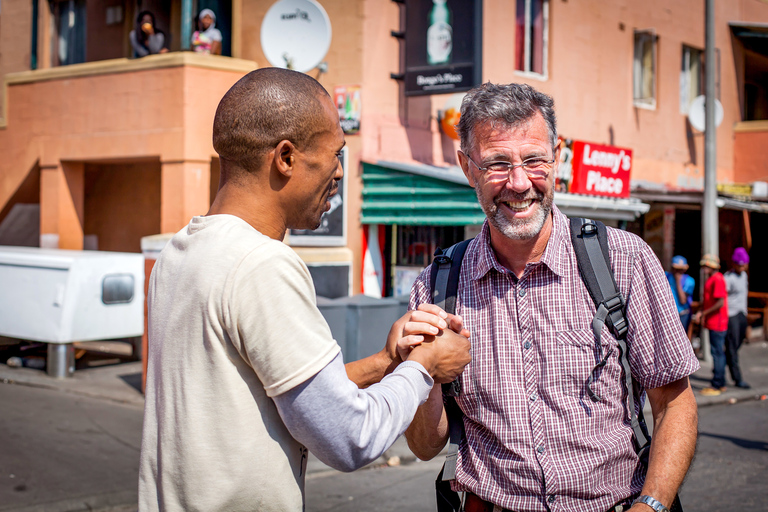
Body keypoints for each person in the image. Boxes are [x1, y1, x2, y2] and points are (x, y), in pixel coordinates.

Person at [138, 68, 471, 511]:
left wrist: (388, 362)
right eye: (335, 154)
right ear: (286, 157)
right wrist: (425, 365)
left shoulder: (180, 253)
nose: (338, 172)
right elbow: (350, 438)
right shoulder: (261, 264)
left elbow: (290, 396)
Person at [405, 82, 699, 512]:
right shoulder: (436, 286)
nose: (519, 183)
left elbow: (674, 403)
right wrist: (423, 374)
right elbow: (426, 446)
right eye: (498, 164)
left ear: (556, 157)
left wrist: (650, 506)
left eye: (534, 160)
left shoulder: (623, 260)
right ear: (468, 168)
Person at [694, 254, 729, 396]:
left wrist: (704, 313)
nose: (704, 268)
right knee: (717, 352)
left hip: (718, 322)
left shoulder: (718, 279)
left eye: (706, 266)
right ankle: (719, 381)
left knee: (717, 353)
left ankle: (718, 383)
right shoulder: (712, 279)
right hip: (713, 321)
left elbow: (720, 302)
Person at [723, 247, 751, 389]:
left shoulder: (744, 276)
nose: (741, 267)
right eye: (739, 265)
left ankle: (728, 357)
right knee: (732, 346)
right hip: (731, 315)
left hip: (741, 313)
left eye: (743, 265)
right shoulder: (728, 278)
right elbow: (722, 298)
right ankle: (737, 378)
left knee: (738, 343)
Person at [665, 255, 695, 334]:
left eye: (680, 270)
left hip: (682, 314)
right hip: (669, 313)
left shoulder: (689, 281)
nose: (678, 273)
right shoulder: (666, 277)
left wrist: (678, 282)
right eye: (676, 270)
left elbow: (683, 300)